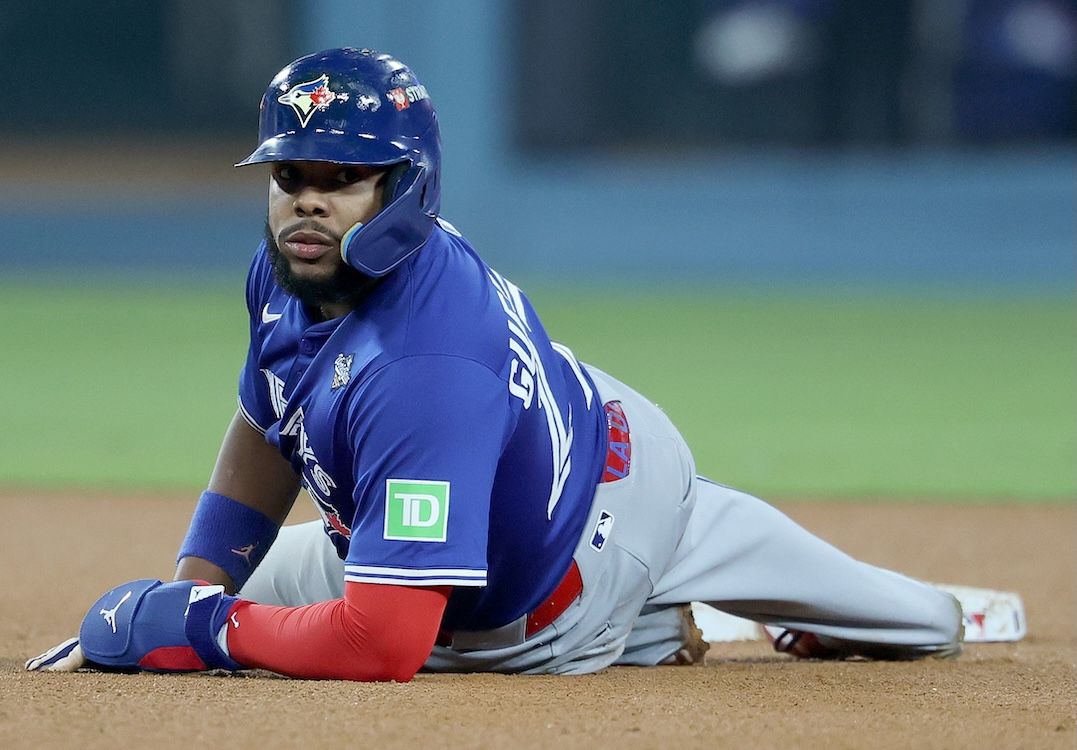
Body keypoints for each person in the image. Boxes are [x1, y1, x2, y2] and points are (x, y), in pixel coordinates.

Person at [26, 48, 962, 680]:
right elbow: (269, 418)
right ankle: (662, 621)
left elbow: (387, 642)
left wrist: (195, 629)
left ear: (402, 190)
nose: (306, 205)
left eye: (341, 180)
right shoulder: (299, 272)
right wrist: (197, 588)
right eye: (290, 178)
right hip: (530, 456)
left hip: (595, 547)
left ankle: (645, 617)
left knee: (926, 625)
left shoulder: (422, 364)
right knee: (211, 615)